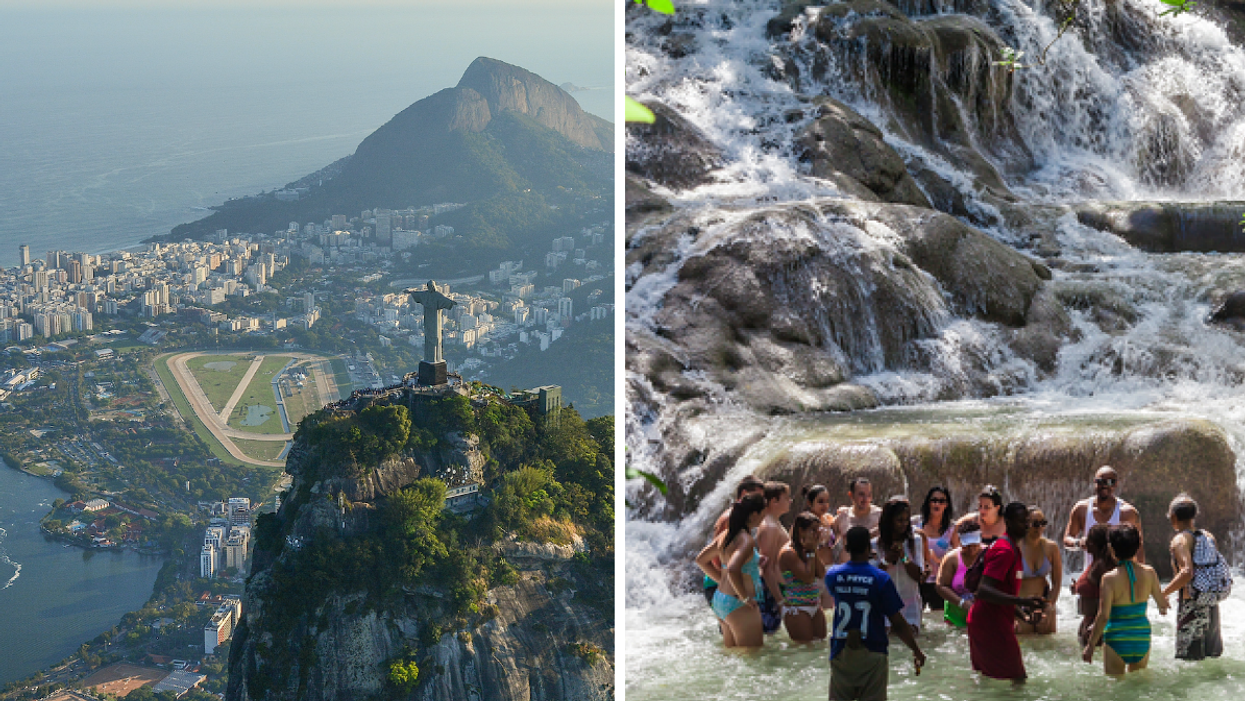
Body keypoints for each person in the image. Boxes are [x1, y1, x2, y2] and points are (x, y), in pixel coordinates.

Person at [826, 526, 925, 701]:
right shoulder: (880, 579)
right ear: (868, 548)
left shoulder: (833, 575)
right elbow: (898, 622)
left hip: (841, 651)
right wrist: (916, 649)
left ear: (847, 549)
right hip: (872, 651)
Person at [966, 502, 1045, 682]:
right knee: (1017, 677)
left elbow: (1003, 591)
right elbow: (984, 590)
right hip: (989, 623)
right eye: (1020, 521)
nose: (1025, 526)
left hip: (991, 619)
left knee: (992, 677)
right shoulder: (1005, 550)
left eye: (1027, 521)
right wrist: (1023, 602)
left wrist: (1023, 616)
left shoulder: (1011, 547)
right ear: (1008, 522)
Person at [1083, 524, 1168, 675]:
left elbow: (1103, 616)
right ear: (1138, 546)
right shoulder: (1150, 573)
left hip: (1117, 638)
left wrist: (1090, 645)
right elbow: (1162, 604)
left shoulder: (1109, 579)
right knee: (1138, 688)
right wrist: (1162, 606)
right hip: (1141, 636)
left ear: (1111, 548)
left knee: (1115, 690)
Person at [696, 493, 768, 648]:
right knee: (753, 661)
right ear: (754, 514)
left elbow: (701, 560)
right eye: (764, 511)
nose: (765, 515)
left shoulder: (726, 535)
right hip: (738, 604)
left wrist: (721, 581)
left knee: (733, 659)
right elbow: (733, 568)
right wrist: (745, 598)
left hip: (721, 600)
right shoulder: (746, 540)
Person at [1160, 493, 1224, 661]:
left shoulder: (1180, 540)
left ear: (1173, 517)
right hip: (1211, 604)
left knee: (1187, 660)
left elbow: (1187, 572)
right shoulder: (1208, 537)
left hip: (1191, 606)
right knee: (1211, 658)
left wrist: (1163, 593)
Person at [1063, 465, 1144, 565]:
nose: (1104, 485)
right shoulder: (1081, 509)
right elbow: (1067, 539)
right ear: (1094, 482)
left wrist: (1140, 576)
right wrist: (1078, 543)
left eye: (1110, 482)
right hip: (1091, 577)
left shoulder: (1128, 512)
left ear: (1116, 484)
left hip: (1118, 577)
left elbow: (1139, 547)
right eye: (1100, 481)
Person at [704, 476, 765, 606]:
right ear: (744, 494)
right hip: (725, 590)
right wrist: (727, 584)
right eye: (758, 496)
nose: (762, 502)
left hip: (727, 591)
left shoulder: (739, 523)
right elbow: (719, 560)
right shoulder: (730, 520)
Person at [871, 496, 925, 633]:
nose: (904, 524)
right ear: (889, 521)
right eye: (899, 520)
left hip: (910, 604)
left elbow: (919, 575)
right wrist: (886, 560)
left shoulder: (916, 542)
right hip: (884, 605)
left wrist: (904, 557)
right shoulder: (875, 545)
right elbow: (872, 579)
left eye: (907, 520)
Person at [779, 512, 827, 643]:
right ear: (801, 531)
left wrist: (814, 550)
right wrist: (811, 551)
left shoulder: (808, 549)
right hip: (797, 608)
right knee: (805, 649)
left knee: (821, 644)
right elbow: (808, 578)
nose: (817, 533)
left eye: (818, 529)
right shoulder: (788, 552)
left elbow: (821, 573)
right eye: (813, 530)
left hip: (814, 604)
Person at [1014, 505, 1062, 635]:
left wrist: (1049, 605)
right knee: (1025, 647)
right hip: (1020, 605)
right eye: (1035, 524)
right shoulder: (1015, 547)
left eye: (1043, 523)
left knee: (1048, 646)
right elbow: (1006, 583)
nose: (1040, 527)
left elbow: (1057, 582)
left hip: (1044, 603)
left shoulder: (1051, 547)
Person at [756, 481, 792, 634]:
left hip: (777, 588)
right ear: (774, 501)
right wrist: (780, 600)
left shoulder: (775, 523)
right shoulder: (769, 527)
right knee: (769, 635)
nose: (790, 501)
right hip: (771, 591)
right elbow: (766, 567)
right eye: (787, 497)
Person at [1073, 524, 1115, 649]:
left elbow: (1110, 597)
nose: (1086, 541)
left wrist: (1097, 625)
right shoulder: (1097, 562)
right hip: (1090, 622)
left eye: (1089, 539)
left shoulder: (1102, 567)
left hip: (1096, 626)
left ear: (1094, 544)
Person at [936, 522, 984, 628]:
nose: (971, 549)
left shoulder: (989, 554)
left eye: (974, 544)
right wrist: (962, 603)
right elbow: (941, 586)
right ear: (960, 541)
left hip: (982, 612)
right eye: (967, 545)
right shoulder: (951, 558)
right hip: (955, 613)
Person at [914, 486, 954, 611]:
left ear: (946, 505)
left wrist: (937, 560)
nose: (937, 504)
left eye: (941, 501)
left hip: (940, 582)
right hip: (918, 579)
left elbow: (959, 558)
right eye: (934, 500)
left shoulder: (952, 529)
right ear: (928, 502)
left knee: (940, 623)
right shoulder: (915, 523)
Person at [803, 483, 837, 609]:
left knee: (829, 612)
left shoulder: (829, 519)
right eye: (820, 501)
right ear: (809, 503)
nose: (825, 505)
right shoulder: (804, 522)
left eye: (827, 501)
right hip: (814, 573)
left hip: (830, 570)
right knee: (813, 611)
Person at [832, 477, 882, 563]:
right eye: (861, 494)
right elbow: (833, 545)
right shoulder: (842, 517)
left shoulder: (880, 516)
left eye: (869, 495)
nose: (866, 499)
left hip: (871, 570)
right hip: (847, 571)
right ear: (851, 495)